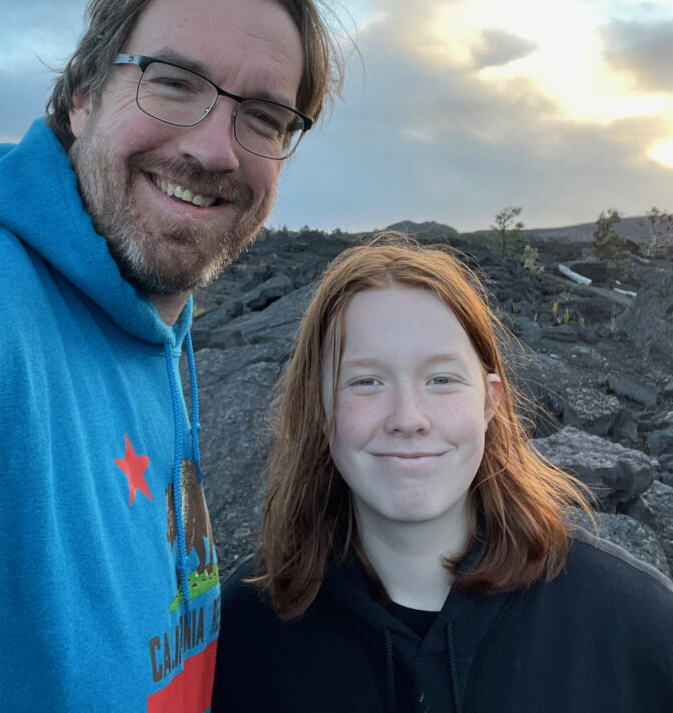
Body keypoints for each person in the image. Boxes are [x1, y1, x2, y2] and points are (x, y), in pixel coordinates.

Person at [0, 0, 342, 713]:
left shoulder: (156, 326)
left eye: (264, 118)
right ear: (82, 98)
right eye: (173, 82)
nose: (215, 151)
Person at [212, 242, 673, 713]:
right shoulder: (241, 635)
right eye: (366, 381)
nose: (408, 418)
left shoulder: (634, 623)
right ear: (320, 407)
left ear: (491, 400)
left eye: (442, 379)